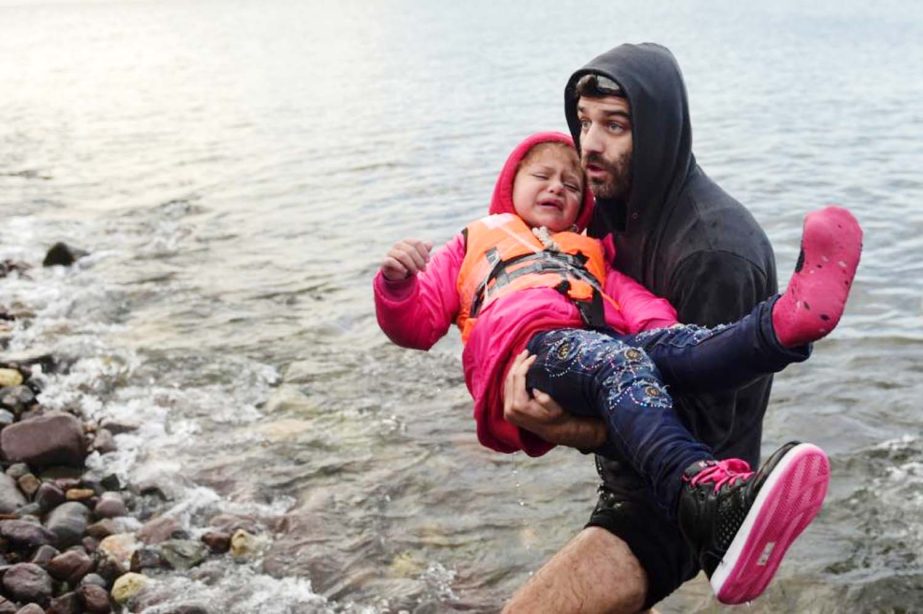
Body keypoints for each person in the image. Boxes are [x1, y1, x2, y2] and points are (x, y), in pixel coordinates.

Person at [373, 132, 861, 605]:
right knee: (622, 358)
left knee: (679, 345)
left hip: (600, 350)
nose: (555, 188)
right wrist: (397, 284)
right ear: (510, 183)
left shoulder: (590, 252)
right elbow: (416, 323)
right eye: (542, 175)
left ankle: (785, 323)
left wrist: (665, 342)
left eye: (570, 185)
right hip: (530, 353)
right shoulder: (472, 241)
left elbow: (636, 303)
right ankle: (704, 498)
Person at [502, 43, 842, 612]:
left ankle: (784, 328)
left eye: (614, 126)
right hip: (632, 475)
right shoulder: (611, 209)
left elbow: (708, 426)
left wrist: (569, 429)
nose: (589, 144)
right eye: (583, 122)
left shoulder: (713, 252)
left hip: (682, 504)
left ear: (658, 133)